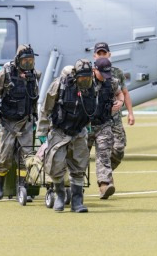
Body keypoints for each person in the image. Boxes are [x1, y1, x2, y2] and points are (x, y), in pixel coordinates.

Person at [36, 59, 95, 212]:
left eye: (88, 78)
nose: (85, 81)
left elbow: (89, 108)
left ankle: (77, 201)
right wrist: (42, 131)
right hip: (59, 131)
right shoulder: (60, 85)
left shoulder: (91, 87)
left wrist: (87, 126)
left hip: (79, 132)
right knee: (55, 164)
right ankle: (60, 196)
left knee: (79, 166)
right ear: (76, 76)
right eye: (82, 78)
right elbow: (46, 108)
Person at [0, 44, 40, 200]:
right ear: (18, 60)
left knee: (27, 157)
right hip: (8, 122)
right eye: (25, 61)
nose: (28, 64)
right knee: (4, 157)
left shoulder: (34, 75)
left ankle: (23, 186)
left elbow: (34, 98)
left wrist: (35, 117)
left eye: (31, 60)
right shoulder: (5, 73)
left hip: (26, 121)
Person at [93, 42, 135, 171]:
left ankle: (106, 171)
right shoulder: (87, 73)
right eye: (99, 53)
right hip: (94, 119)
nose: (101, 56)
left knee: (119, 148)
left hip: (114, 117)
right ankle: (103, 174)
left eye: (104, 53)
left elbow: (124, 93)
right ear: (94, 56)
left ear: (109, 54)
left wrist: (130, 113)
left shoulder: (117, 72)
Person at [88, 57, 124, 199]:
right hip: (86, 125)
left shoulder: (112, 82)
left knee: (104, 154)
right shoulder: (85, 81)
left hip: (103, 124)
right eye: (101, 73)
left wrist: (120, 102)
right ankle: (73, 186)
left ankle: (104, 185)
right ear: (94, 69)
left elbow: (120, 93)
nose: (104, 77)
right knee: (79, 158)